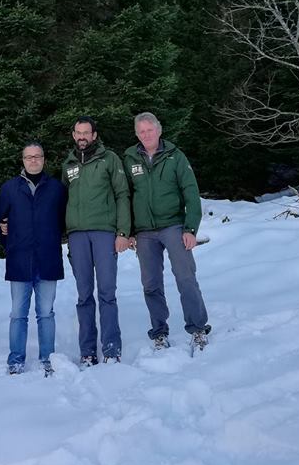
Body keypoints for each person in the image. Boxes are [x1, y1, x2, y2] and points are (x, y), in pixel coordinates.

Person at [122, 112, 210, 352]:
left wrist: (190, 228)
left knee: (185, 277)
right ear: (137, 134)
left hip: (173, 226)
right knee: (151, 284)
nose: (146, 135)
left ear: (158, 130)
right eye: (141, 131)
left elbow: (191, 193)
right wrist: (129, 231)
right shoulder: (130, 159)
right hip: (144, 232)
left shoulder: (175, 156)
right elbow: (125, 197)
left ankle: (198, 328)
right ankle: (159, 332)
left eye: (149, 130)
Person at [61, 117, 131, 365]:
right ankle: (88, 350)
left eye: (86, 132)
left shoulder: (109, 159)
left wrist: (123, 232)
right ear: (74, 135)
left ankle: (111, 348)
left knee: (107, 292)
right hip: (77, 235)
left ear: (94, 135)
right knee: (84, 295)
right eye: (78, 132)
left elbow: (122, 194)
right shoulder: (68, 164)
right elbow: (62, 199)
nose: (82, 136)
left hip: (104, 232)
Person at [0, 140, 67, 376]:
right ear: (23, 160)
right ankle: (16, 359)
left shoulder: (56, 188)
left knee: (46, 313)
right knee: (18, 314)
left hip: (48, 258)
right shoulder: (10, 188)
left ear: (44, 159)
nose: (33, 160)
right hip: (20, 260)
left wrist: (51, 238)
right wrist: (11, 243)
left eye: (37, 156)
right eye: (29, 157)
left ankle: (48, 357)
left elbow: (62, 220)